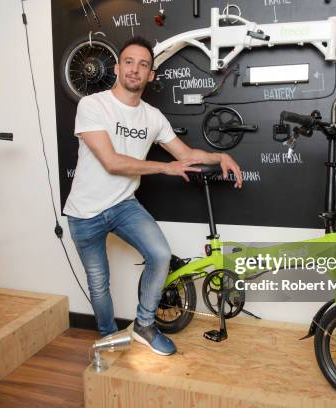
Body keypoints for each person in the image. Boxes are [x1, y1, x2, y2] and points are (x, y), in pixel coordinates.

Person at [64, 36, 243, 356]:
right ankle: (109, 339)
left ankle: (144, 325)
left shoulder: (153, 117)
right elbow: (112, 162)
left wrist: (219, 157)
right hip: (85, 212)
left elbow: (186, 153)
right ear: (117, 68)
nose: (135, 69)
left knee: (160, 255)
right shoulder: (92, 105)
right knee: (99, 283)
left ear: (151, 76)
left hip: (123, 205)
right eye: (129, 62)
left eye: (143, 65)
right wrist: (165, 169)